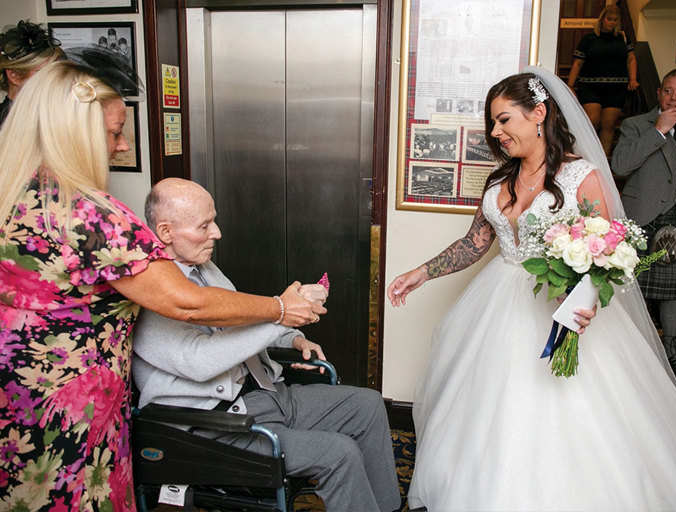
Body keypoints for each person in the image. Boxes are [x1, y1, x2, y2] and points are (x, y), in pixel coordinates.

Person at [0, 61, 324, 510]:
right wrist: (279, 309)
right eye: (114, 133)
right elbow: (188, 304)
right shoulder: (91, 216)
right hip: (70, 401)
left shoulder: (15, 198)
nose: (123, 145)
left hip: (16, 390)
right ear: (73, 132)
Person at [388, 67, 676, 511]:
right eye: (492, 123)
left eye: (503, 120)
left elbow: (611, 250)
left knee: (571, 415)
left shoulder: (581, 176)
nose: (495, 133)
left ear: (538, 114)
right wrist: (422, 272)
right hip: (499, 302)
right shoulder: (499, 180)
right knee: (490, 408)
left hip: (562, 304)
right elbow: (477, 242)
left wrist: (584, 302)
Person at [132, 178, 402, 512]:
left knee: (368, 404)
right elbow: (198, 362)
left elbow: (245, 321)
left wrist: (293, 337)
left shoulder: (203, 267)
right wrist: (282, 315)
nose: (216, 232)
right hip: (216, 427)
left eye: (213, 220)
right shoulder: (148, 294)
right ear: (166, 232)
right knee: (339, 453)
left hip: (266, 394)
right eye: (204, 226)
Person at [611, 68, 676, 390]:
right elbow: (619, 166)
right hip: (643, 220)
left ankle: (673, 350)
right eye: (668, 90)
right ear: (659, 93)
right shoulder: (637, 125)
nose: (674, 97)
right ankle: (632, 351)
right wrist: (658, 132)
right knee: (634, 288)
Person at [566, 5, 638, 156]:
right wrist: (570, 86)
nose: (611, 22)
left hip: (616, 87)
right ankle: (585, 155)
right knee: (592, 121)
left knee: (609, 124)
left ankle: (602, 161)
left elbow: (631, 59)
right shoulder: (589, 39)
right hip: (590, 85)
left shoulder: (622, 39)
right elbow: (577, 63)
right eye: (609, 19)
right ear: (602, 19)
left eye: (614, 20)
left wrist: (633, 79)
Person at [0, 19, 64, 125]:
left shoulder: (59, 116)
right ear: (14, 75)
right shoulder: (5, 125)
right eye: (43, 73)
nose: (53, 80)